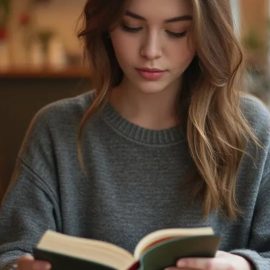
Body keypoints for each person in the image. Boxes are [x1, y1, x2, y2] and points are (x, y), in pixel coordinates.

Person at [0, 0, 270, 269]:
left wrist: (244, 265)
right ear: (106, 27)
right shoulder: (55, 129)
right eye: (131, 27)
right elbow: (12, 252)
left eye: (177, 31)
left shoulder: (252, 129)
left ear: (205, 33)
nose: (150, 51)